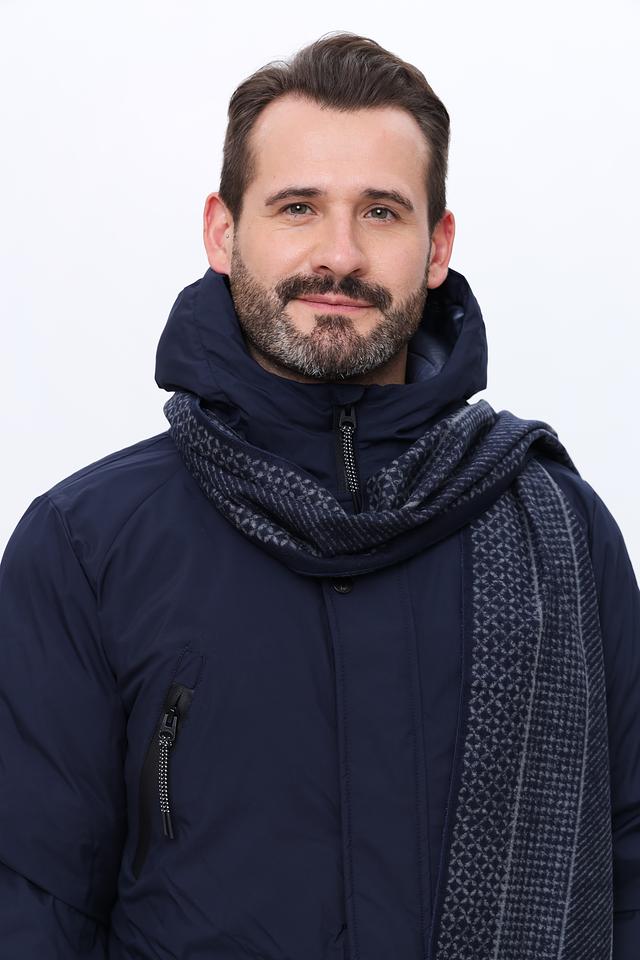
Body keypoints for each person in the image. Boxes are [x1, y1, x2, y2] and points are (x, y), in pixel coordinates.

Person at [0, 30, 637, 960]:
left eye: (381, 211)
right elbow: (31, 906)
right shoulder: (87, 546)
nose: (339, 255)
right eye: (298, 207)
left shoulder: (562, 534)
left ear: (436, 246)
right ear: (223, 233)